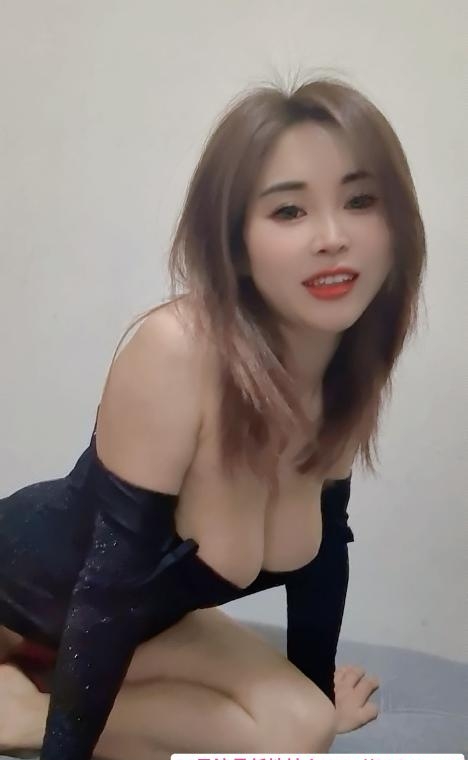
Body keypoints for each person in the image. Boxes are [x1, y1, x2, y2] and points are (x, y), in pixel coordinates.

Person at [0, 75, 426, 760]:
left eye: (360, 201)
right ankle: (31, 713)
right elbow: (107, 591)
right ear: (234, 244)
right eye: (289, 210)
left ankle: (24, 710)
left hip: (138, 629)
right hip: (27, 608)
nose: (333, 237)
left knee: (303, 728)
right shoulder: (177, 350)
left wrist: (317, 690)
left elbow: (324, 555)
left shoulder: (346, 367)